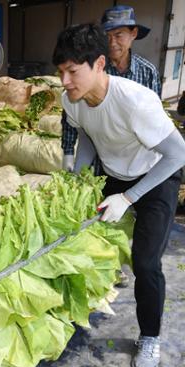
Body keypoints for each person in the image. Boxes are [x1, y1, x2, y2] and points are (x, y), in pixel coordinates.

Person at [53, 24, 185, 367]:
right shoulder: (72, 100)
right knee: (86, 232)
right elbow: (89, 138)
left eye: (72, 71)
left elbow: (178, 154)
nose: (65, 81)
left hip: (156, 177)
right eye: (61, 72)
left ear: (98, 64)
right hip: (116, 174)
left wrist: (128, 198)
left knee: (146, 263)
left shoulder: (136, 102)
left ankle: (150, 337)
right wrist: (79, 181)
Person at [61, 5, 161, 288]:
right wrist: (69, 153)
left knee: (141, 222)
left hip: (141, 159)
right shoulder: (89, 73)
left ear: (133, 35)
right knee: (105, 217)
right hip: (107, 160)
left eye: (120, 34)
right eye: (108, 35)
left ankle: (139, 259)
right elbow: (74, 122)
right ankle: (111, 265)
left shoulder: (147, 73)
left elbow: (153, 119)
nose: (114, 41)